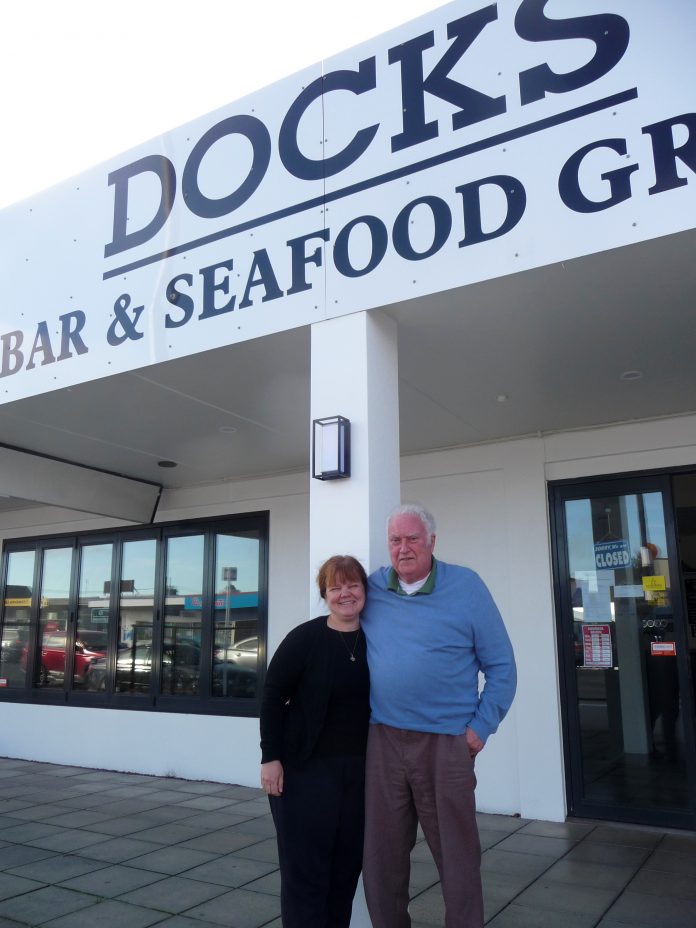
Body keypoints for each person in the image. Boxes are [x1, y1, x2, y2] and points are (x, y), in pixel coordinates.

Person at [361, 504, 516, 928]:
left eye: (413, 538)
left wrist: (479, 729)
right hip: (383, 740)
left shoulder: (466, 587)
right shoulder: (373, 588)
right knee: (381, 856)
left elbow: (502, 666)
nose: (403, 548)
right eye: (395, 540)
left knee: (458, 856)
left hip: (446, 742)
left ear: (432, 541)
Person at [260, 554, 370, 928]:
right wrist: (270, 757)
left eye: (352, 585)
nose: (345, 594)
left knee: (344, 873)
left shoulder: (377, 640)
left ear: (364, 591)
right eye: (336, 587)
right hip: (304, 773)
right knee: (305, 875)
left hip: (360, 775)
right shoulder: (304, 639)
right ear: (324, 595)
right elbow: (272, 698)